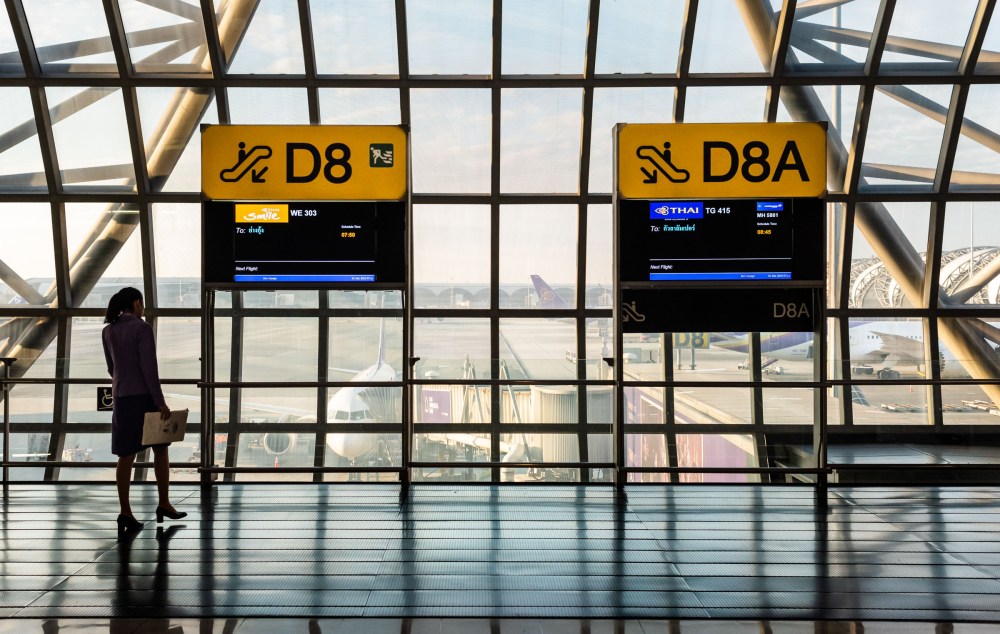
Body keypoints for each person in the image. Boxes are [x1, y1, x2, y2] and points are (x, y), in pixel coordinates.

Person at [103, 287, 186, 536]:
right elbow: (149, 369)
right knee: (160, 449)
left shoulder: (108, 331)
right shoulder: (142, 328)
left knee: (126, 455)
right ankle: (164, 503)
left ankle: (125, 511)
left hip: (122, 397)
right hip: (144, 397)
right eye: (142, 304)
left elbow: (111, 368)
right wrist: (160, 402)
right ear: (137, 303)